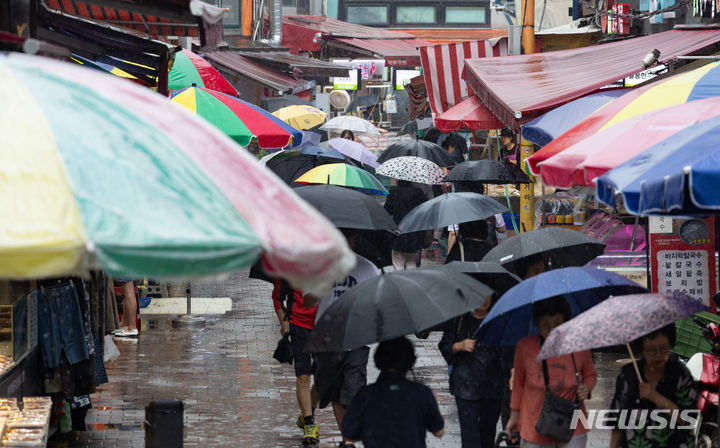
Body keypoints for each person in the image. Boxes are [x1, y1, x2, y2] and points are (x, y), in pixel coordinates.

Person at [303, 229, 380, 448]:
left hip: (357, 339)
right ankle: (347, 440)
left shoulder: (368, 268)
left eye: (350, 236)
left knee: (353, 392)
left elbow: (377, 302)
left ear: (355, 239)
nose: (347, 241)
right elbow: (307, 301)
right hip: (328, 340)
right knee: (335, 393)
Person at [505, 296, 597, 448]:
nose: (551, 330)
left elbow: (590, 374)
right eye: (545, 325)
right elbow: (519, 384)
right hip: (535, 423)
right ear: (537, 324)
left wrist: (586, 387)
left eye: (557, 324)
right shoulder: (525, 347)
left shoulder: (579, 345)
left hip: (573, 424)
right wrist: (514, 416)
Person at [342, 337, 445, 447]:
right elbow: (439, 431)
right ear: (410, 360)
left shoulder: (365, 395)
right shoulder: (422, 393)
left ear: (378, 360)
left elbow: (349, 432)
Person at [439, 298, 513, 447]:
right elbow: (445, 345)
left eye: (487, 295)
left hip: (492, 387)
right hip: (465, 386)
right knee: (470, 438)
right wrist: (459, 346)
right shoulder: (459, 319)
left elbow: (507, 352)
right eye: (477, 295)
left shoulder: (499, 320)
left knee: (488, 435)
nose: (483, 300)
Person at [609, 325, 697, 448]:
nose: (658, 355)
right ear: (642, 349)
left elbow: (688, 419)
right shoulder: (628, 375)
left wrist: (656, 397)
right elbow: (617, 420)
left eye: (664, 348)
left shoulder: (681, 375)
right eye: (651, 350)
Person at [271, 279, 320, 444]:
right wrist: (283, 319)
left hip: (325, 325)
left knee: (324, 378)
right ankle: (309, 424)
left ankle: (308, 411)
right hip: (299, 326)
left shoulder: (329, 260)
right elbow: (277, 297)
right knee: (303, 377)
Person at [384, 180, 428, 270]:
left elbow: (387, 210)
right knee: (411, 261)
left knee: (397, 261)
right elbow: (424, 211)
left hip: (398, 232)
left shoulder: (393, 191)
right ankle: (410, 281)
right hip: (414, 233)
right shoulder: (419, 192)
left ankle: (399, 282)